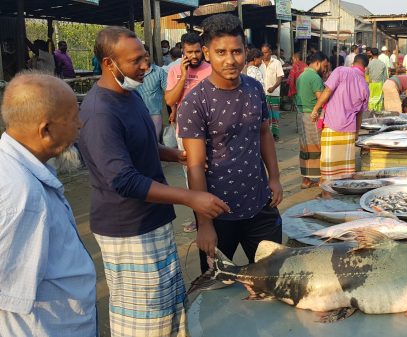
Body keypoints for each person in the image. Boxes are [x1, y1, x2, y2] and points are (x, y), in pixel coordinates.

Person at [78, 26, 229, 337]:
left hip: (152, 219)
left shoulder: (129, 96)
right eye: (136, 61)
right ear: (110, 64)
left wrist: (176, 155)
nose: (145, 66)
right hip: (128, 228)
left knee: (167, 306)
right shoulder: (99, 112)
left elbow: (141, 144)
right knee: (144, 317)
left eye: (145, 58)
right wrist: (189, 198)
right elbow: (124, 180)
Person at [177, 14, 283, 275]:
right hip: (216, 212)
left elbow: (264, 133)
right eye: (221, 52)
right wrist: (204, 224)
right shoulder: (194, 103)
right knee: (215, 287)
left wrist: (275, 178)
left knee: (273, 277)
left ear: (245, 51)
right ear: (206, 53)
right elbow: (195, 166)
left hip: (260, 204)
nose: (230, 59)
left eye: (237, 51)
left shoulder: (255, 89)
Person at [0, 72, 96, 336]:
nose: (80, 124)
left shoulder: (23, 169)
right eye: (73, 116)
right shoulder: (19, 194)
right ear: (46, 130)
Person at [311, 54, 370, 199]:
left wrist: (316, 109)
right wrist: (356, 132)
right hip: (349, 129)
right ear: (365, 68)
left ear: (353, 63)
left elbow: (327, 91)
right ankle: (342, 193)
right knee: (344, 166)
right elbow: (360, 114)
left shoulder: (341, 71)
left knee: (328, 162)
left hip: (332, 124)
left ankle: (326, 193)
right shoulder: (365, 85)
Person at [295, 51, 329, 188]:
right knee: (316, 146)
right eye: (324, 66)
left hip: (301, 114)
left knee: (305, 147)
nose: (325, 69)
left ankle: (306, 180)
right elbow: (321, 97)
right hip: (312, 116)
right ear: (317, 63)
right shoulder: (315, 77)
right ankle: (320, 178)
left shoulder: (301, 76)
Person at [137, 45, 168, 140]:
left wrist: (173, 111)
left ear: (150, 55)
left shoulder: (159, 72)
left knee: (154, 141)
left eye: (146, 55)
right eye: (141, 56)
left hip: (154, 114)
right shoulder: (132, 72)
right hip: (137, 114)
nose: (145, 58)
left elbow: (168, 92)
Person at [260, 43, 285, 142]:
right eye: (262, 53)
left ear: (270, 52)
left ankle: (275, 134)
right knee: (266, 116)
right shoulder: (259, 63)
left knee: (275, 115)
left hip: (274, 93)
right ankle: (268, 134)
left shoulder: (276, 62)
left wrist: (273, 87)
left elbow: (280, 78)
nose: (264, 55)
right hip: (263, 94)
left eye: (266, 52)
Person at [366, 48, 388, 112]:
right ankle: (378, 113)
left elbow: (366, 73)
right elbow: (385, 77)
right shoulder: (382, 64)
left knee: (371, 99)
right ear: (378, 54)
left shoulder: (369, 64)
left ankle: (371, 113)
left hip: (371, 84)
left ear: (371, 54)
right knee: (379, 99)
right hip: (380, 84)